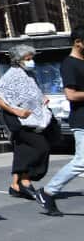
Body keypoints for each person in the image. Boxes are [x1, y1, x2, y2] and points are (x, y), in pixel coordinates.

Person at [0, 44, 58, 202]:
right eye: (28, 58)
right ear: (18, 60)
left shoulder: (29, 74)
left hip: (32, 118)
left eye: (31, 58)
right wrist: (16, 111)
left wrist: (42, 99)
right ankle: (25, 181)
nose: (31, 61)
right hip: (19, 119)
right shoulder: (11, 76)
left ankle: (15, 185)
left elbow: (33, 92)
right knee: (41, 146)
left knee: (22, 149)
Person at [38, 25, 84, 216]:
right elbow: (71, 95)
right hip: (82, 120)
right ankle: (48, 192)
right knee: (81, 162)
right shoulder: (70, 64)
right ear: (78, 42)